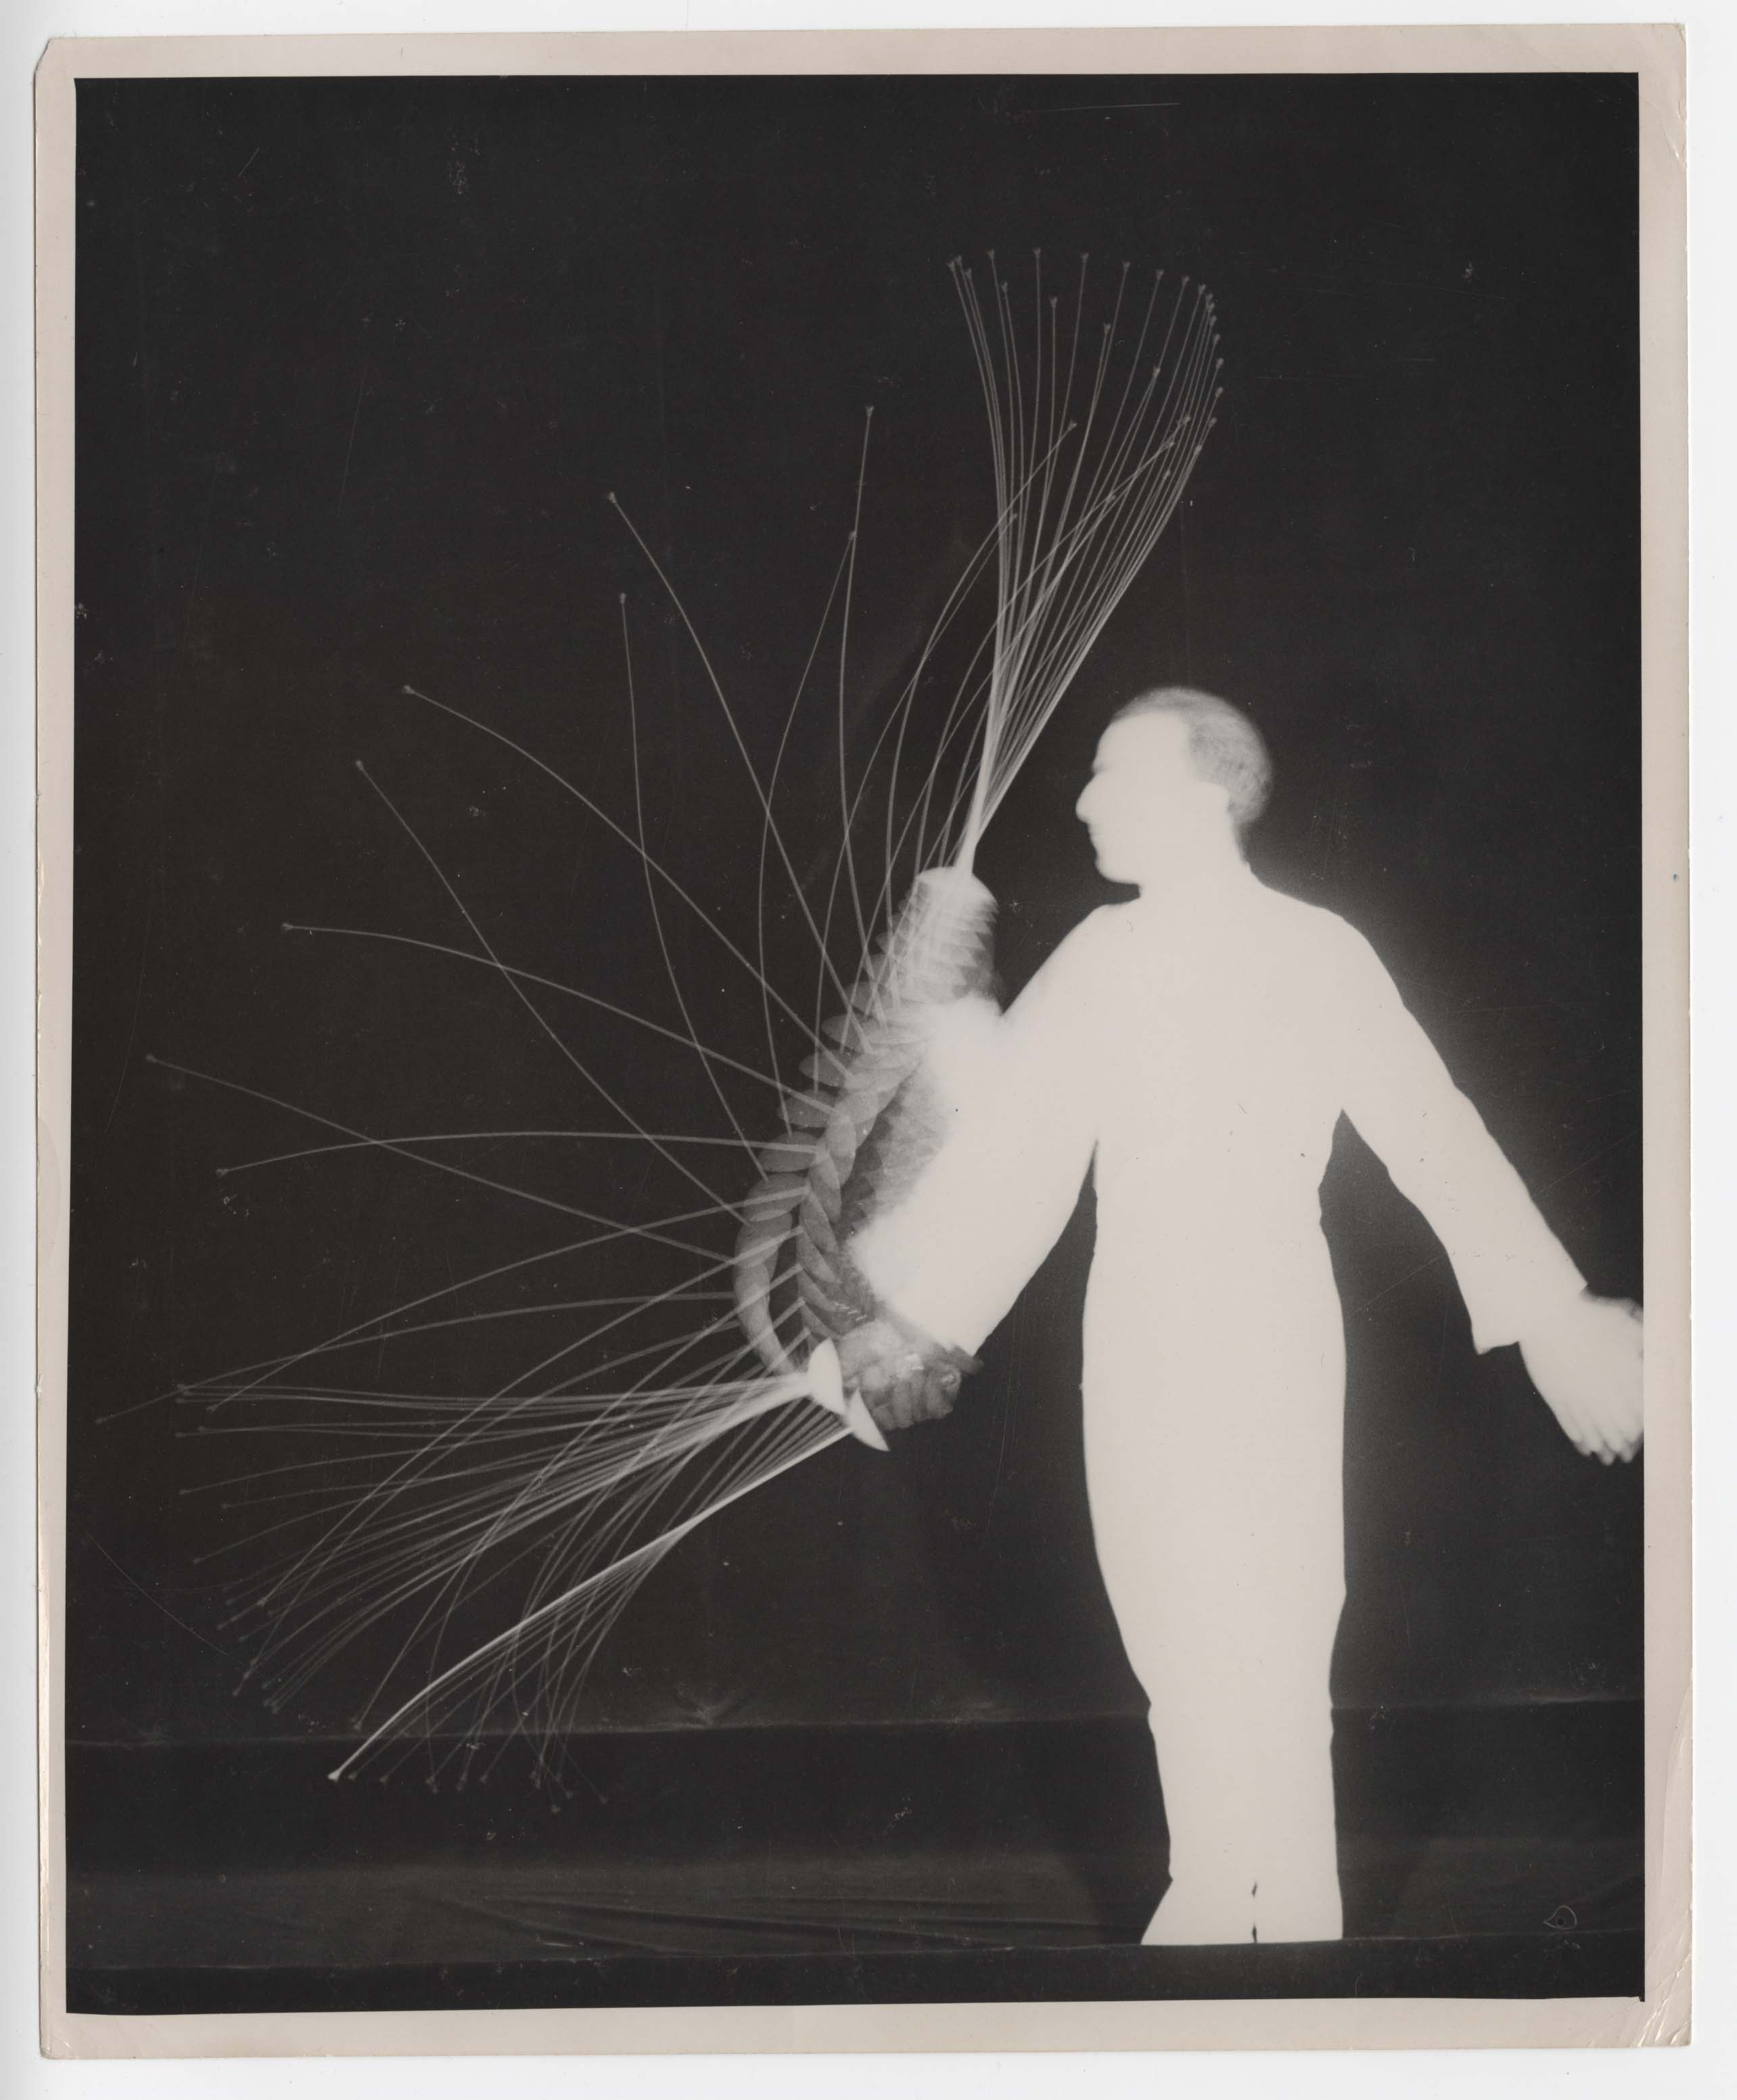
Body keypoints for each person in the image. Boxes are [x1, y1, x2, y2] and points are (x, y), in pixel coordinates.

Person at [836, 689, 1644, 1947]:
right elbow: (1013, 1162)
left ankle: (1281, 1928)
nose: (1085, 800)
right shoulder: (1105, 954)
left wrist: (1554, 1315)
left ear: (1206, 793)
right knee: (1173, 1629)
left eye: (1112, 774)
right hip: (1144, 1324)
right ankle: (1224, 1906)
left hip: (1260, 1319)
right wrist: (909, 1328)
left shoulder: (1316, 951)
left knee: (1271, 1623)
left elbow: (1436, 1136)